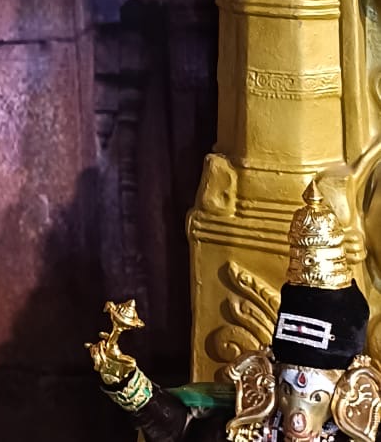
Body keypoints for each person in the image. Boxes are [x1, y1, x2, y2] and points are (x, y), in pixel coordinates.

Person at [88, 183, 381, 442]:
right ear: (270, 380)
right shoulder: (248, 430)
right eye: (287, 391)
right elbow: (180, 429)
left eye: (315, 397)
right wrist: (129, 385)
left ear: (347, 392)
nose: (297, 417)